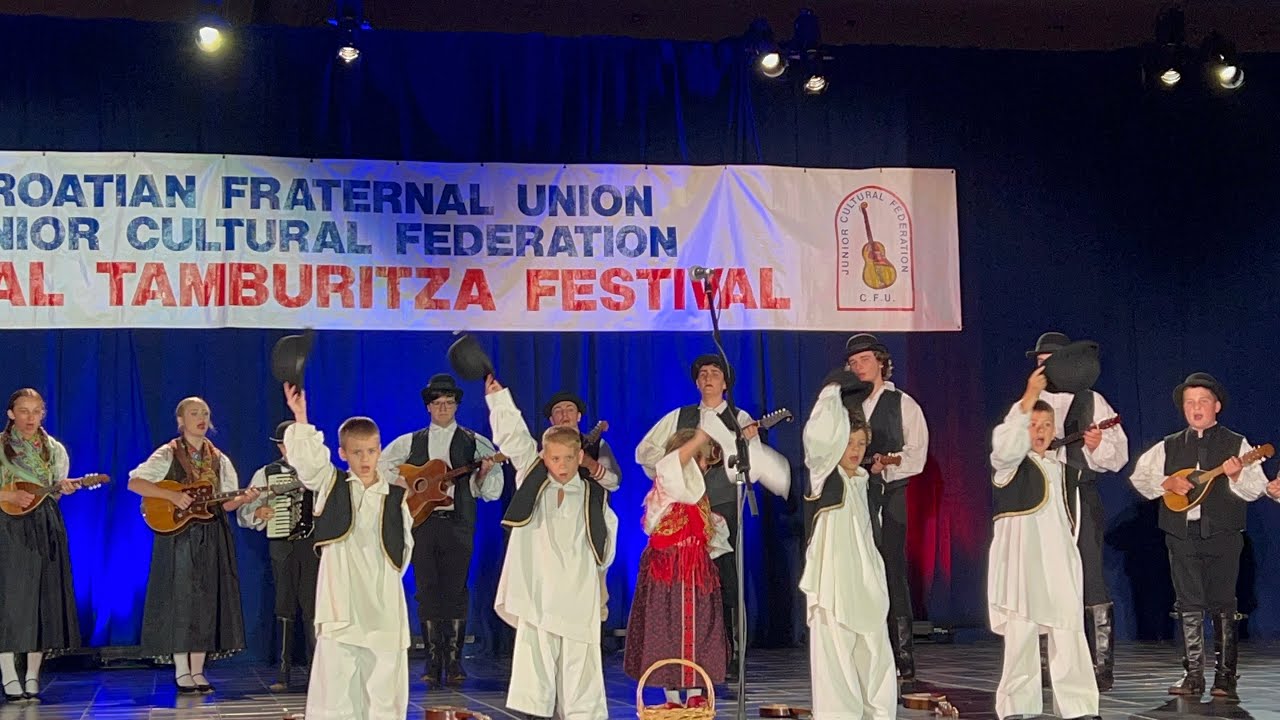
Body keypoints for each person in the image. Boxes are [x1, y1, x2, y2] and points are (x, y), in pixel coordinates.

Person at [635, 354, 790, 680]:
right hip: (680, 515)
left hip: (719, 508)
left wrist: (743, 446)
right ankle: (678, 652)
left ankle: (726, 653)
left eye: (714, 373)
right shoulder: (680, 416)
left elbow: (752, 465)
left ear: (725, 382)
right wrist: (675, 472)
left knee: (723, 581)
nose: (708, 378)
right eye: (702, 373)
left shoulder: (740, 417)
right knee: (679, 585)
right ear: (696, 382)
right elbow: (645, 452)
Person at [1129, 372, 1275, 701]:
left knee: (1224, 603)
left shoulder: (1236, 443)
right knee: (1188, 604)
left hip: (1223, 532)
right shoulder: (1168, 445)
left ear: (1217, 406)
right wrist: (1166, 482)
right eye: (1190, 403)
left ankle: (1225, 678)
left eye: (1203, 402)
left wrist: (1237, 475)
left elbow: (1254, 489)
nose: (1196, 408)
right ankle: (1193, 675)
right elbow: (1141, 477)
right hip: (1180, 533)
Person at [487, 374, 617, 720]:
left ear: (580, 458)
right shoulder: (532, 477)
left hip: (576, 591)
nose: (561, 466)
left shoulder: (593, 494)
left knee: (580, 659)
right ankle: (536, 712)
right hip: (539, 589)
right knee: (536, 655)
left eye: (568, 459)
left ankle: (582, 713)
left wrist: (599, 586)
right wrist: (500, 401)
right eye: (554, 459)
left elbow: (605, 544)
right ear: (544, 456)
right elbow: (514, 438)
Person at [282, 382, 414, 720]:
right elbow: (310, 463)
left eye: (371, 451)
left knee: (384, 689)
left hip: (382, 604)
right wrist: (301, 417)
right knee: (336, 688)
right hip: (342, 602)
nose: (365, 459)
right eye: (357, 452)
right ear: (343, 453)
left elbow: (405, 547)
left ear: (380, 450)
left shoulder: (396, 497)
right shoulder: (332, 485)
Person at [988, 367, 1099, 720]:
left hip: (1058, 560)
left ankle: (1080, 707)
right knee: (1021, 635)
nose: (1039, 432)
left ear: (1055, 430)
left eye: (1045, 426)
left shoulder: (1065, 471)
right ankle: (1017, 707)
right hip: (1021, 561)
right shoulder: (1009, 466)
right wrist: (1029, 397)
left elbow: (1071, 526)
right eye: (1033, 426)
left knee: (1068, 631)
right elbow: (1005, 444)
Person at [378, 373, 501, 686]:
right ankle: (433, 661)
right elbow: (381, 467)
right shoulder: (410, 441)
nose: (444, 408)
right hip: (422, 523)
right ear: (429, 407)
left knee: (456, 591)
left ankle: (455, 661)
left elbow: (493, 492)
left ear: (457, 405)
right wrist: (409, 483)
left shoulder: (476, 442)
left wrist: (483, 474)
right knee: (427, 590)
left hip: (458, 523)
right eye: (438, 403)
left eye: (449, 402)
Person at [127, 396, 256, 694]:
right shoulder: (168, 453)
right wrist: (172, 497)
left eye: (205, 413)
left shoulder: (218, 458)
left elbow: (225, 505)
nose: (201, 417)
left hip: (211, 534)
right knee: (180, 598)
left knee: (205, 600)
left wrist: (244, 499)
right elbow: (135, 483)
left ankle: (198, 670)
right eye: (194, 413)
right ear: (180, 421)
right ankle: (181, 669)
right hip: (178, 535)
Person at [1024, 332, 1128, 690]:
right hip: (1038, 501)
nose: (1042, 368)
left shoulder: (1091, 400)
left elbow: (1118, 456)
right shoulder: (1028, 402)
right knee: (1043, 579)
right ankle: (1045, 664)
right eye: (1039, 363)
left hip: (1080, 495)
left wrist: (1097, 447)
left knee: (1089, 575)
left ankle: (1100, 667)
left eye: (1048, 362)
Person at [801, 371, 897, 720]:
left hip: (865, 579)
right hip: (834, 581)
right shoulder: (824, 474)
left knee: (874, 649)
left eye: (861, 444)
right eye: (849, 443)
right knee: (836, 654)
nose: (855, 451)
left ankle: (879, 713)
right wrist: (832, 391)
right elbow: (819, 436)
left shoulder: (863, 483)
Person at [842, 333, 929, 687]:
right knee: (854, 570)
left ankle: (902, 653)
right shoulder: (845, 405)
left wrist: (885, 466)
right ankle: (860, 647)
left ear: (880, 362)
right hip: (852, 495)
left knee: (891, 567)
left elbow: (916, 453)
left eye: (863, 360)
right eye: (852, 362)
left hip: (889, 494)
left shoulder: (901, 402)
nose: (857, 367)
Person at [624, 427, 730, 708]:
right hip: (668, 569)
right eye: (695, 459)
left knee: (699, 628)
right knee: (667, 627)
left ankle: (695, 692)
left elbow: (712, 534)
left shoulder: (698, 497)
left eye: (702, 460)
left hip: (695, 570)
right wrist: (697, 439)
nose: (701, 466)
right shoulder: (667, 484)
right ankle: (671, 696)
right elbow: (671, 468)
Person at [0, 389, 82, 703]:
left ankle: (33, 675)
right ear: (11, 414)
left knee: (42, 598)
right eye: (24, 411)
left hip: (45, 523)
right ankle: (9, 675)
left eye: (36, 411)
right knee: (12, 601)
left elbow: (54, 492)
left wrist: (64, 489)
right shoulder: (1, 447)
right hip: (9, 526)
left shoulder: (53, 449)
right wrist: (7, 496)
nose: (30, 418)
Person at [236, 420, 320, 692]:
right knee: (284, 603)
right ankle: (283, 671)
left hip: (311, 546)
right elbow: (246, 510)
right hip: (282, 544)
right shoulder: (267, 473)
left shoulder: (319, 472)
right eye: (284, 444)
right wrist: (258, 514)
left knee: (312, 605)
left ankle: (315, 670)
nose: (288, 449)